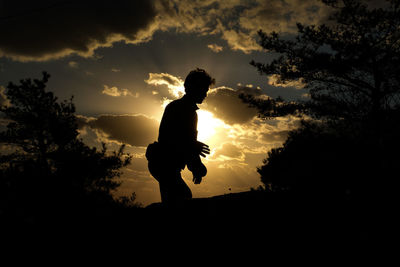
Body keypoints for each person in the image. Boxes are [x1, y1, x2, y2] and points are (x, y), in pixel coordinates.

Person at [146, 68, 215, 206]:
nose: (205, 94)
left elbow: (189, 143)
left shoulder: (191, 113)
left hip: (168, 165)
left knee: (176, 198)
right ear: (193, 88)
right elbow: (167, 139)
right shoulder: (176, 108)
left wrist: (195, 166)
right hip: (163, 163)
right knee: (182, 196)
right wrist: (194, 155)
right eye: (204, 90)